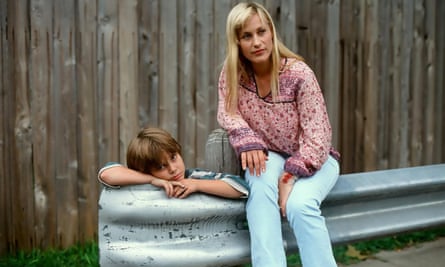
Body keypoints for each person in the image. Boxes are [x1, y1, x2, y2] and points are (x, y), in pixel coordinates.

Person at [217, 2, 340, 267]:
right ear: (237, 42)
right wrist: (247, 140)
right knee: (258, 180)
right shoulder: (233, 75)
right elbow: (228, 112)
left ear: (271, 32)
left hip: (315, 159)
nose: (257, 42)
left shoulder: (298, 73)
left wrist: (290, 175)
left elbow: (318, 135)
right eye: (247, 36)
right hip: (270, 157)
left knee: (300, 205)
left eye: (261, 31)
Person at [98, 127, 249, 199]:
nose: (173, 169)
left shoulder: (194, 177)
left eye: (173, 157)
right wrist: (152, 180)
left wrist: (196, 185)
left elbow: (241, 188)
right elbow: (106, 174)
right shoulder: (140, 182)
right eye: (160, 166)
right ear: (144, 171)